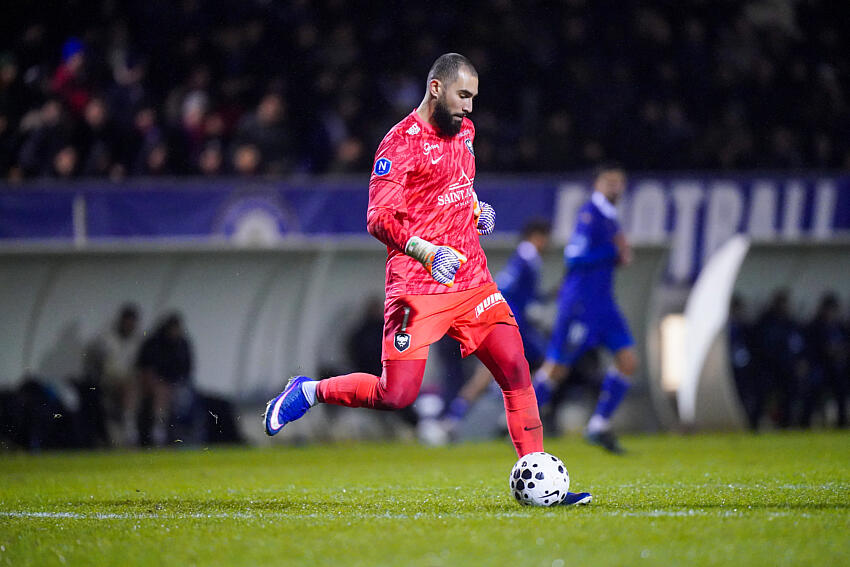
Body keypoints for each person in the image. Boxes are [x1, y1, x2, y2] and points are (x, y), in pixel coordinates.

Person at [264, 53, 590, 506]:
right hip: (418, 285)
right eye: (463, 96)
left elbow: (453, 185)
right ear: (436, 88)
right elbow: (378, 219)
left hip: (472, 279)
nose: (470, 108)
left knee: (516, 369)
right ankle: (310, 390)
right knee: (397, 394)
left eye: (474, 98)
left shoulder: (466, 132)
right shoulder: (398, 144)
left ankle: (543, 488)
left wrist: (476, 208)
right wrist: (424, 249)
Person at [533, 163, 638, 454]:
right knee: (557, 368)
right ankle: (521, 420)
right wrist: (613, 252)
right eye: (609, 182)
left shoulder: (609, 217)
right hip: (580, 305)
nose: (615, 188)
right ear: (597, 185)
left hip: (604, 305)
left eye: (619, 182)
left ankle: (598, 426)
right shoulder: (590, 214)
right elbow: (574, 256)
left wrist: (617, 256)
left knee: (628, 361)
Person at [441, 219, 552, 432]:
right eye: (545, 238)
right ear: (537, 236)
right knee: (549, 363)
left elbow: (516, 292)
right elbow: (517, 296)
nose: (546, 244)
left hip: (502, 318)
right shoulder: (528, 258)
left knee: (490, 371)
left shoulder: (521, 258)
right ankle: (513, 413)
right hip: (512, 322)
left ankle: (454, 418)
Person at [136, 312, 194, 446]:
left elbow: (187, 370)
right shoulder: (154, 344)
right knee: (161, 393)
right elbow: (146, 369)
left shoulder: (183, 344)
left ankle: (179, 435)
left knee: (182, 399)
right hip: (156, 385)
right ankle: (159, 430)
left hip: (177, 385)